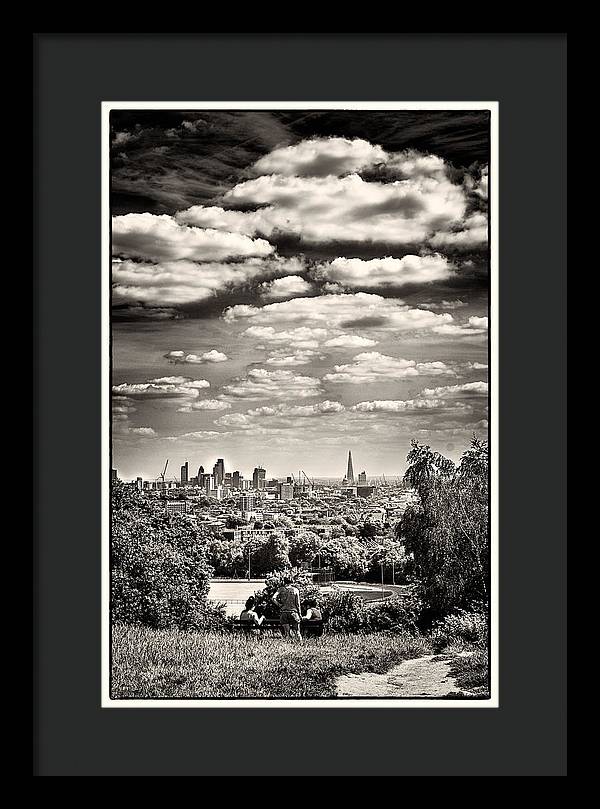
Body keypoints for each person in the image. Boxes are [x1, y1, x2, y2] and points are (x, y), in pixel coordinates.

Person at [272, 575, 302, 640]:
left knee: (287, 633)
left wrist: (279, 604)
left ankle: (288, 646)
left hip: (284, 612)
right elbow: (297, 604)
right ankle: (301, 645)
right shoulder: (295, 590)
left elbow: (273, 598)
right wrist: (299, 614)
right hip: (293, 612)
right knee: (297, 632)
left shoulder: (281, 589)